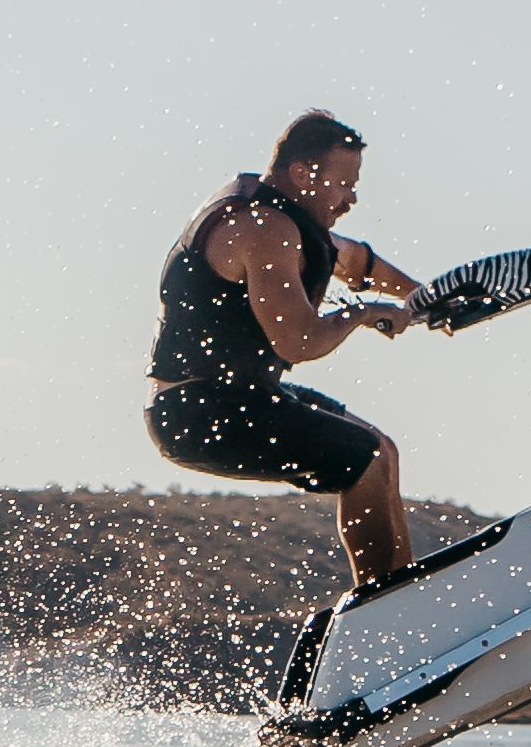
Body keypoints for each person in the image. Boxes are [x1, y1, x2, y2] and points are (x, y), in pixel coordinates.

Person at [148, 109, 422, 591]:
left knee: (382, 451)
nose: (352, 198)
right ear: (302, 173)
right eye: (344, 184)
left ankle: (404, 588)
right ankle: (384, 606)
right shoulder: (262, 228)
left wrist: (427, 299)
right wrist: (360, 314)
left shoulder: (286, 217)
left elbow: (356, 260)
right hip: (198, 410)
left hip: (240, 396)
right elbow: (300, 341)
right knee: (363, 460)